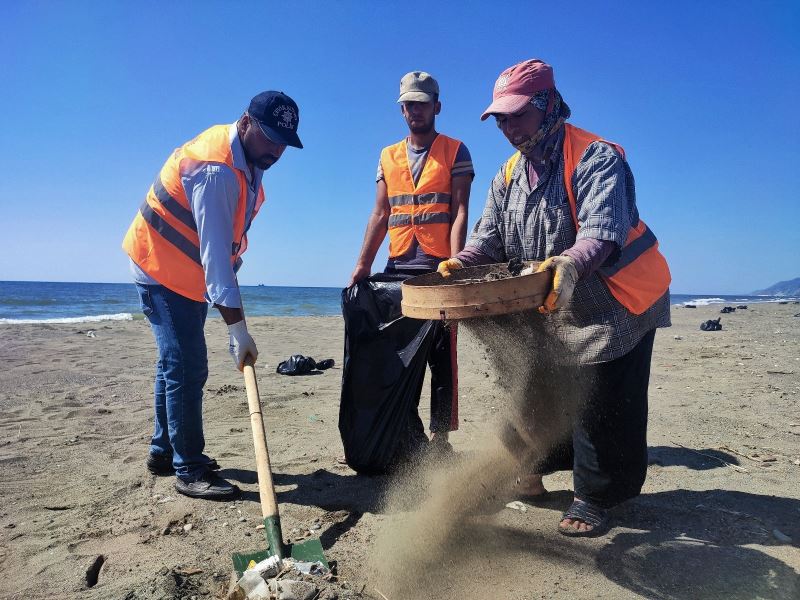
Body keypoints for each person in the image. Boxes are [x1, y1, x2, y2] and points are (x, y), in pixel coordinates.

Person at [438, 59, 671, 536]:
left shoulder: (596, 157)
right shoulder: (507, 174)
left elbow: (603, 234)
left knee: (603, 396)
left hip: (619, 300)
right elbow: (491, 238)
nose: (506, 127)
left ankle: (594, 496)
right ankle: (529, 472)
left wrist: (569, 263)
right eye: (499, 118)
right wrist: (462, 263)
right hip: (557, 302)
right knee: (538, 385)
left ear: (547, 106)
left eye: (516, 115)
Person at [122, 91, 303, 500]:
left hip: (187, 272)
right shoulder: (215, 170)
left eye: (283, 143)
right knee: (187, 364)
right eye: (269, 137)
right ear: (245, 123)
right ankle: (189, 468)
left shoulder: (248, 164)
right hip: (158, 265)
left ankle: (163, 451)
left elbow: (227, 244)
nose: (276, 150)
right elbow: (216, 259)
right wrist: (237, 331)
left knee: (175, 359)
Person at [348, 71, 473, 452]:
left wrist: (454, 264)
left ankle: (440, 439)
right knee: (397, 356)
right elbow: (379, 214)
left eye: (421, 103)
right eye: (408, 104)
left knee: (441, 356)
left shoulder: (456, 150)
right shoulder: (387, 155)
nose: (414, 110)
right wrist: (362, 266)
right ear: (401, 109)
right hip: (398, 266)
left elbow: (460, 211)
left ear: (437, 106)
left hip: (437, 267)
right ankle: (406, 429)